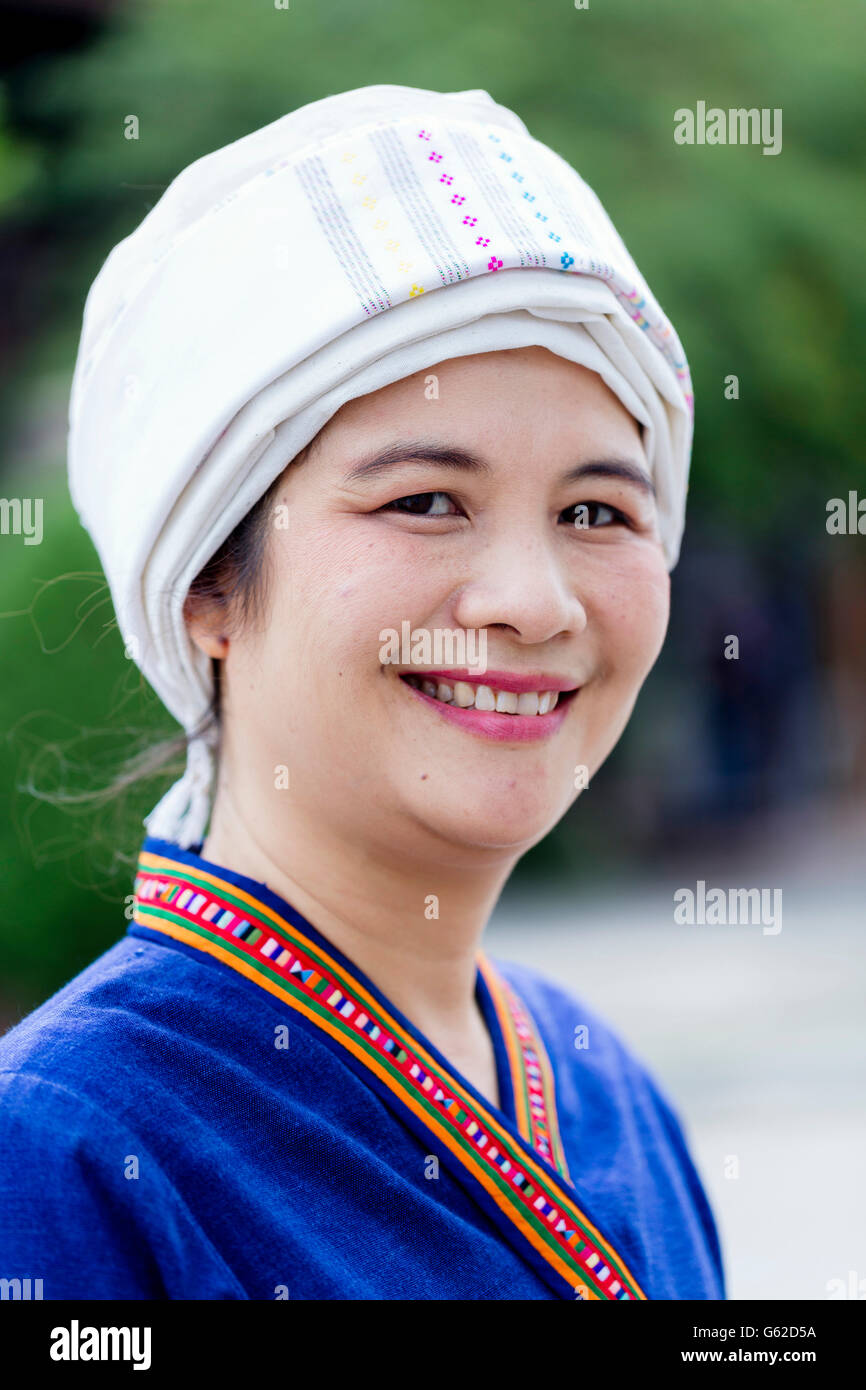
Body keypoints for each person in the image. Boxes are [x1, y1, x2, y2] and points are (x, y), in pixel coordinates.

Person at [0, 85, 723, 1300]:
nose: (533, 602)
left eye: (594, 511)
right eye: (424, 500)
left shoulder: (611, 1094)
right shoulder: (62, 1145)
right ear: (206, 587)